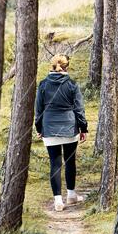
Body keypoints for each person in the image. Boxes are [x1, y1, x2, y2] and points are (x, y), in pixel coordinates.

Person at [35, 54, 88, 211]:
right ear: (67, 67)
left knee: (55, 163)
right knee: (70, 161)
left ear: (52, 66)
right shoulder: (72, 84)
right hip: (69, 128)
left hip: (49, 127)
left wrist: (39, 128)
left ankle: (58, 201)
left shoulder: (43, 84)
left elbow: (38, 110)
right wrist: (83, 128)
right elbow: (79, 110)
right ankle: (71, 195)